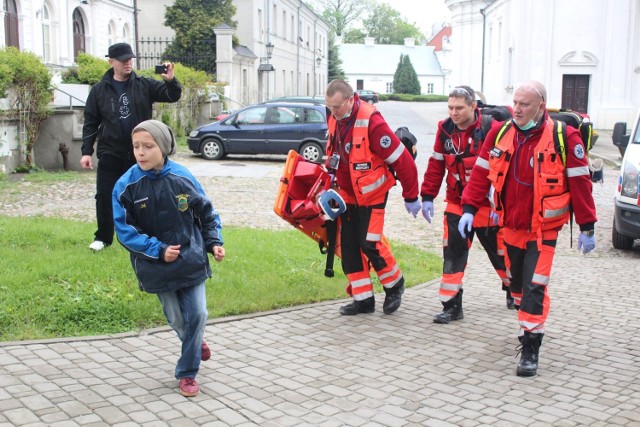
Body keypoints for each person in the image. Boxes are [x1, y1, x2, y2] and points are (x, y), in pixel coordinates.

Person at [459, 80, 597, 377]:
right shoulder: (501, 132)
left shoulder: (564, 136)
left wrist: (587, 225)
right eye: (516, 102)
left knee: (535, 285)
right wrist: (469, 207)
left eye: (525, 104)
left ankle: (531, 346)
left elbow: (580, 182)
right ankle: (527, 321)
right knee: (517, 285)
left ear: (541, 106)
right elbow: (482, 172)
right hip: (510, 225)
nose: (517, 109)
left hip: (542, 229)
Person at [112, 120, 224, 397]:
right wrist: (157, 250)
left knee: (198, 313)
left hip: (191, 259)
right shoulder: (126, 186)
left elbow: (206, 213)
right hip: (156, 266)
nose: (141, 152)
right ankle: (195, 344)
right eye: (136, 146)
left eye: (148, 146)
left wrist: (214, 242)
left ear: (163, 147)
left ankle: (187, 372)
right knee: (176, 317)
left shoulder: (183, 177)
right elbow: (125, 231)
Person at [324, 80, 420, 316]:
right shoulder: (336, 118)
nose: (332, 112)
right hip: (346, 194)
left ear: (349, 100)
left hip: (372, 194)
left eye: (336, 107)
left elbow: (403, 160)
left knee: (370, 243)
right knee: (349, 248)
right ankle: (363, 299)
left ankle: (394, 285)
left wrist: (411, 195)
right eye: (329, 107)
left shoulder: (372, 122)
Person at [420, 85, 513, 325]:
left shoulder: (491, 129)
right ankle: (451, 306)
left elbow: (504, 169)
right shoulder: (445, 130)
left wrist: (499, 204)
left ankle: (514, 290)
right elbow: (436, 165)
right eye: (450, 107)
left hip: (487, 205)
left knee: (502, 253)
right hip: (457, 202)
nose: (454, 112)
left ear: (473, 106)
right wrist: (428, 196)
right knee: (452, 253)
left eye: (459, 108)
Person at [81, 42, 182, 251]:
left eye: (130, 59)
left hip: (141, 152)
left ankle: (147, 234)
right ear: (111, 62)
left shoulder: (144, 84)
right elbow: (91, 122)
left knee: (147, 194)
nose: (128, 63)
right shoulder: (99, 90)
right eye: (123, 60)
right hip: (111, 151)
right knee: (105, 195)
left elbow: (172, 96)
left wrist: (170, 81)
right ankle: (103, 238)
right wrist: (86, 152)